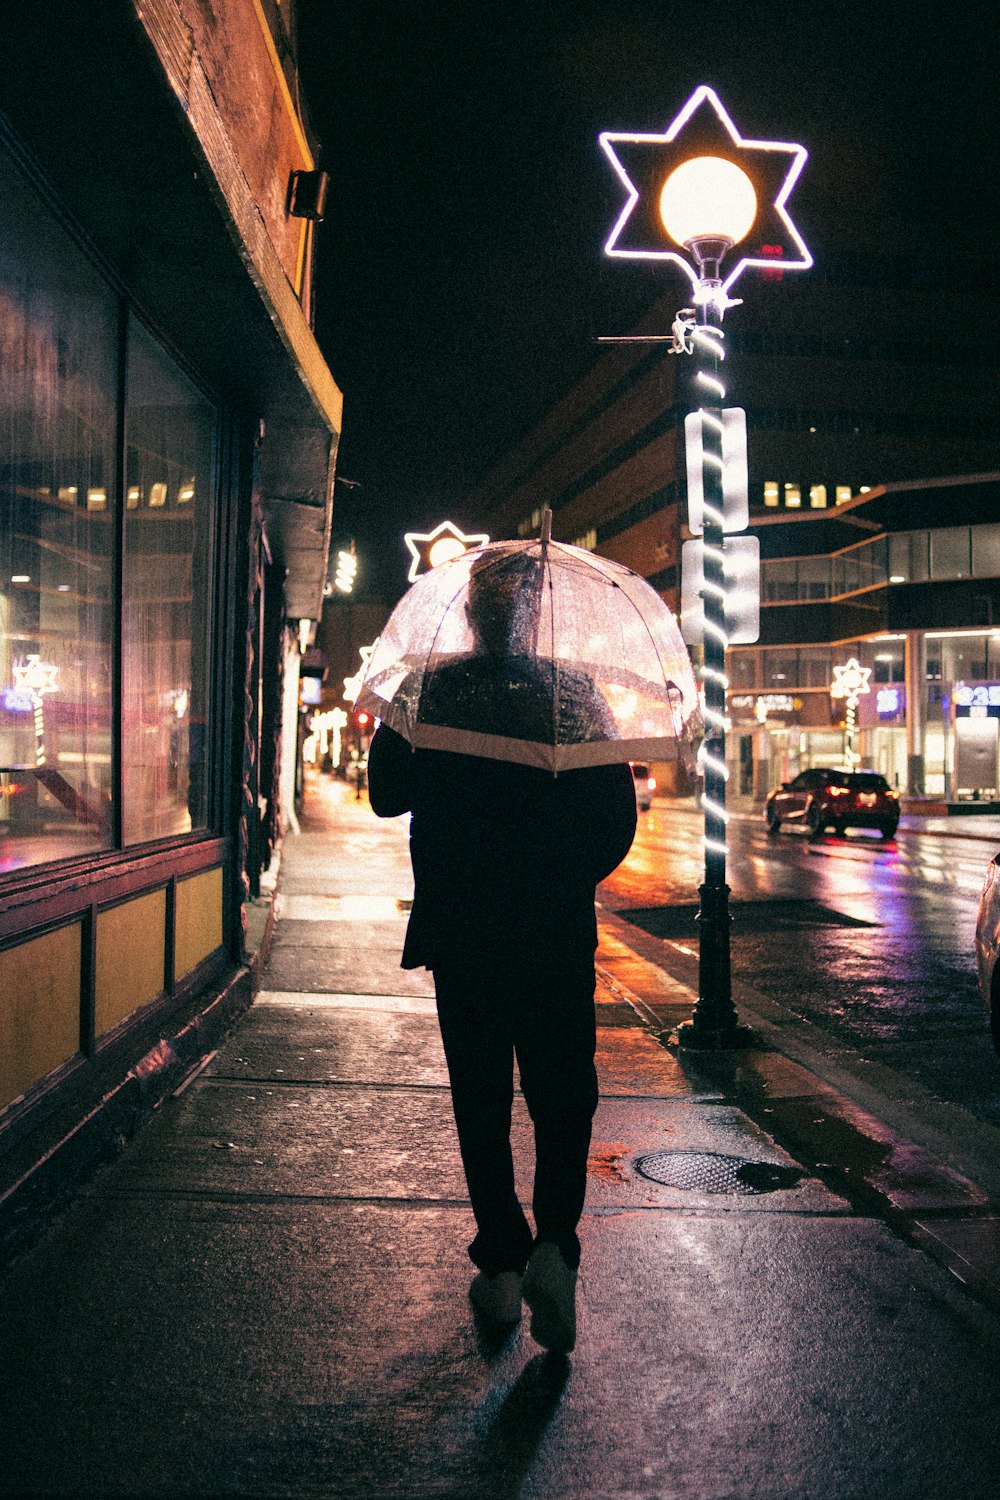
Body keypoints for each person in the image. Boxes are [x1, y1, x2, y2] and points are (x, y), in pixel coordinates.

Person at [367, 550, 637, 1354]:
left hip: (465, 931)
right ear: (538, 614)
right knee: (562, 1094)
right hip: (553, 934)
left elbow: (386, 793)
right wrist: (557, 879)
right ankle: (555, 1244)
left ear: (472, 614)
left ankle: (502, 1261)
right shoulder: (574, 694)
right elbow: (614, 821)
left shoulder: (437, 689)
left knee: (480, 1098)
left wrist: (395, 708)